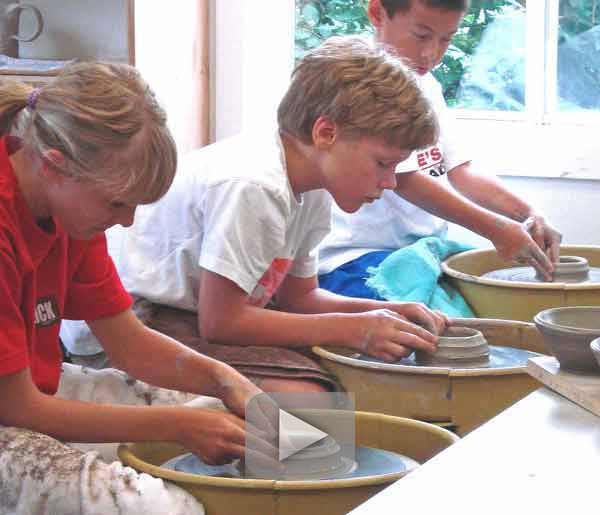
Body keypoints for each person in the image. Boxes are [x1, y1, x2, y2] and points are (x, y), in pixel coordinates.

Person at [0, 62, 266, 514]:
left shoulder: (69, 211)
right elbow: (17, 407)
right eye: (117, 203)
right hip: (14, 404)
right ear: (53, 165)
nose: (126, 221)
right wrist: (176, 427)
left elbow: (127, 344)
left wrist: (224, 379)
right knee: (159, 506)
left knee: (230, 421)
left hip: (28, 391)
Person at [115, 35, 448, 394]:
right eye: (383, 163)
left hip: (196, 315)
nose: (390, 182)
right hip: (137, 324)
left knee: (352, 374)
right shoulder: (255, 185)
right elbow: (221, 323)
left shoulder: (314, 183)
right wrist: (352, 329)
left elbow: (299, 298)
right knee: (310, 401)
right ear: (325, 133)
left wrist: (388, 312)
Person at [318, 0, 562, 302]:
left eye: (446, 38)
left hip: (419, 251)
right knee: (442, 326)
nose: (432, 54)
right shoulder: (356, 83)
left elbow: (461, 170)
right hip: (353, 255)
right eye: (421, 36)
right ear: (378, 13)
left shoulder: (426, 85)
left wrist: (528, 214)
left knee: (499, 299)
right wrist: (496, 229)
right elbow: (406, 181)